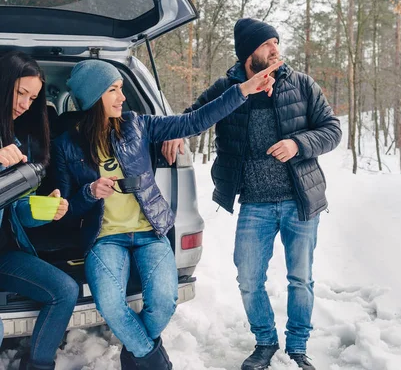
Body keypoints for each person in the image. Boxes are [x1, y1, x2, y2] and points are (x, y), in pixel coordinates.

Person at [52, 58, 281, 370]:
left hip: (149, 231)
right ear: (93, 97)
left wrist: (244, 90)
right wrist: (90, 193)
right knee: (110, 305)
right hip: (104, 238)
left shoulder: (136, 125)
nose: (122, 97)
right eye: (114, 90)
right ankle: (156, 363)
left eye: (121, 89)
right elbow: (64, 209)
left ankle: (137, 354)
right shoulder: (66, 146)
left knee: (163, 302)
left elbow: (194, 121)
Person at [162, 18, 342, 370]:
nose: (276, 50)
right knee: (248, 279)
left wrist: (297, 143)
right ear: (248, 54)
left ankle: (298, 348)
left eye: (277, 43)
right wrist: (175, 134)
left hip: (299, 200)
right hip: (254, 204)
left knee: (300, 278)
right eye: (267, 45)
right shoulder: (228, 87)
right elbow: (192, 116)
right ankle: (264, 342)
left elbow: (332, 129)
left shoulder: (301, 84)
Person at [0, 51, 78, 370]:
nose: (25, 104)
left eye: (32, 98)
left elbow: (16, 210)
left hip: (5, 252)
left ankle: (38, 365)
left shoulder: (18, 141)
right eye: (21, 93)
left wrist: (46, 210)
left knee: (64, 290)